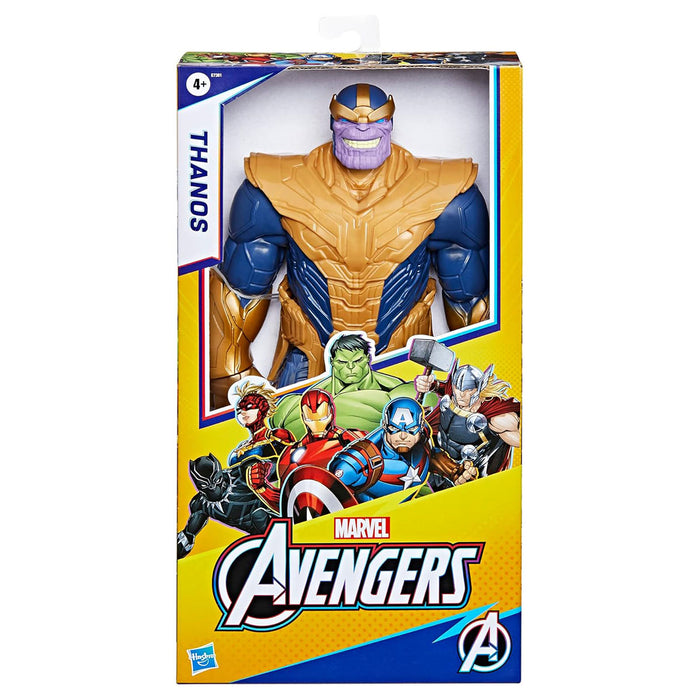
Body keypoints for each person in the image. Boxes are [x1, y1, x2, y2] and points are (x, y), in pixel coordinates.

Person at [209, 82, 489, 406]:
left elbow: (471, 306)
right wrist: (231, 378)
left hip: (402, 367)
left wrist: (471, 391)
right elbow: (239, 296)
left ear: (390, 123)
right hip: (307, 365)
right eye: (347, 119)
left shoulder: (447, 194)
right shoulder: (274, 187)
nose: (362, 127)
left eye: (376, 119)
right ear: (332, 121)